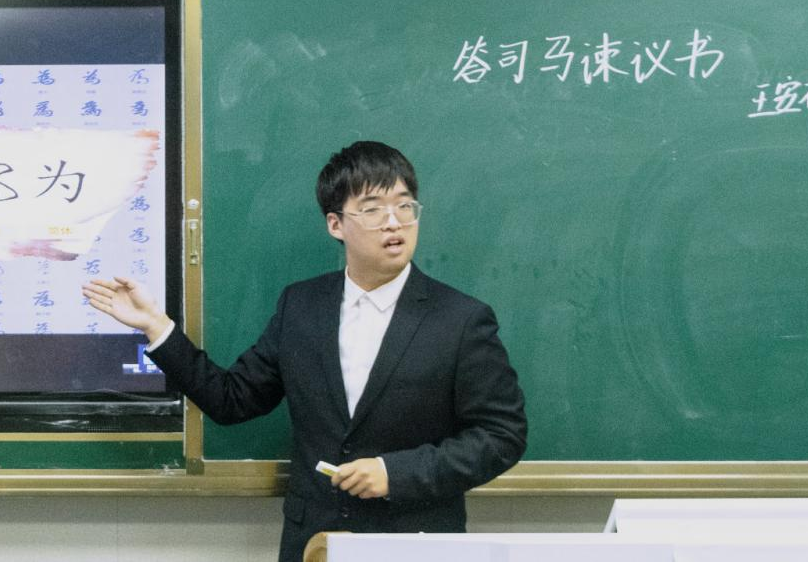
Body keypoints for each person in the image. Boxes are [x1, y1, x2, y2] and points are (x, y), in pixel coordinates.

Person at [82, 140, 526, 562]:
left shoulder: (460, 319)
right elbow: (232, 400)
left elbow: (501, 435)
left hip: (415, 543)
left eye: (405, 206)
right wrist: (157, 327)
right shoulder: (302, 306)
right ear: (336, 224)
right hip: (314, 542)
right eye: (373, 209)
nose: (394, 222)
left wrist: (397, 473)